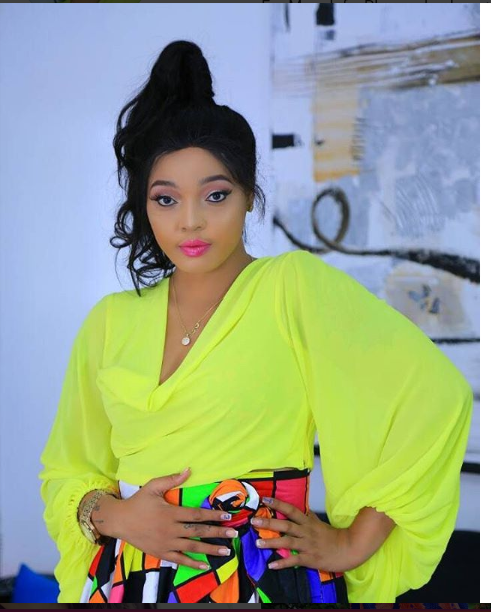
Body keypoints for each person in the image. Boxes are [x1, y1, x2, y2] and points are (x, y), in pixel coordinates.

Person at [38, 40, 473, 605]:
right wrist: (116, 516)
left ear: (248, 195)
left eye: (215, 195)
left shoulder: (291, 287)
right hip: (127, 583)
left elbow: (434, 397)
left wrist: (352, 543)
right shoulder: (108, 322)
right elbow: (68, 470)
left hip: (263, 580)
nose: (190, 221)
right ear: (144, 206)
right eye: (165, 200)